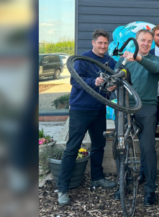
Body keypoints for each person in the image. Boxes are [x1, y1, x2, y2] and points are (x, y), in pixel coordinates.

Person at [57, 29, 117, 205]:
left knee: (99, 145)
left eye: (105, 43)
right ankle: (62, 189)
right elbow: (75, 81)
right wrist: (94, 82)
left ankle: (97, 177)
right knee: (72, 147)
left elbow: (114, 79)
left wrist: (112, 86)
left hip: (99, 109)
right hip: (80, 110)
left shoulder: (110, 61)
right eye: (100, 43)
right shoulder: (82, 59)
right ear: (93, 43)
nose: (103, 46)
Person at [114, 29, 159, 206]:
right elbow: (115, 78)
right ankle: (122, 184)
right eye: (143, 40)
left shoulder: (155, 59)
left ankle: (150, 189)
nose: (146, 43)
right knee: (121, 146)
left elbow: (155, 68)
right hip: (125, 106)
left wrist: (138, 58)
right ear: (136, 41)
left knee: (148, 148)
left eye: (149, 41)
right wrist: (109, 85)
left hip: (147, 107)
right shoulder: (124, 59)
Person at [138, 24, 159, 185]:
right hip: (153, 99)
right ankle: (143, 173)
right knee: (147, 139)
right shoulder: (147, 54)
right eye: (157, 35)